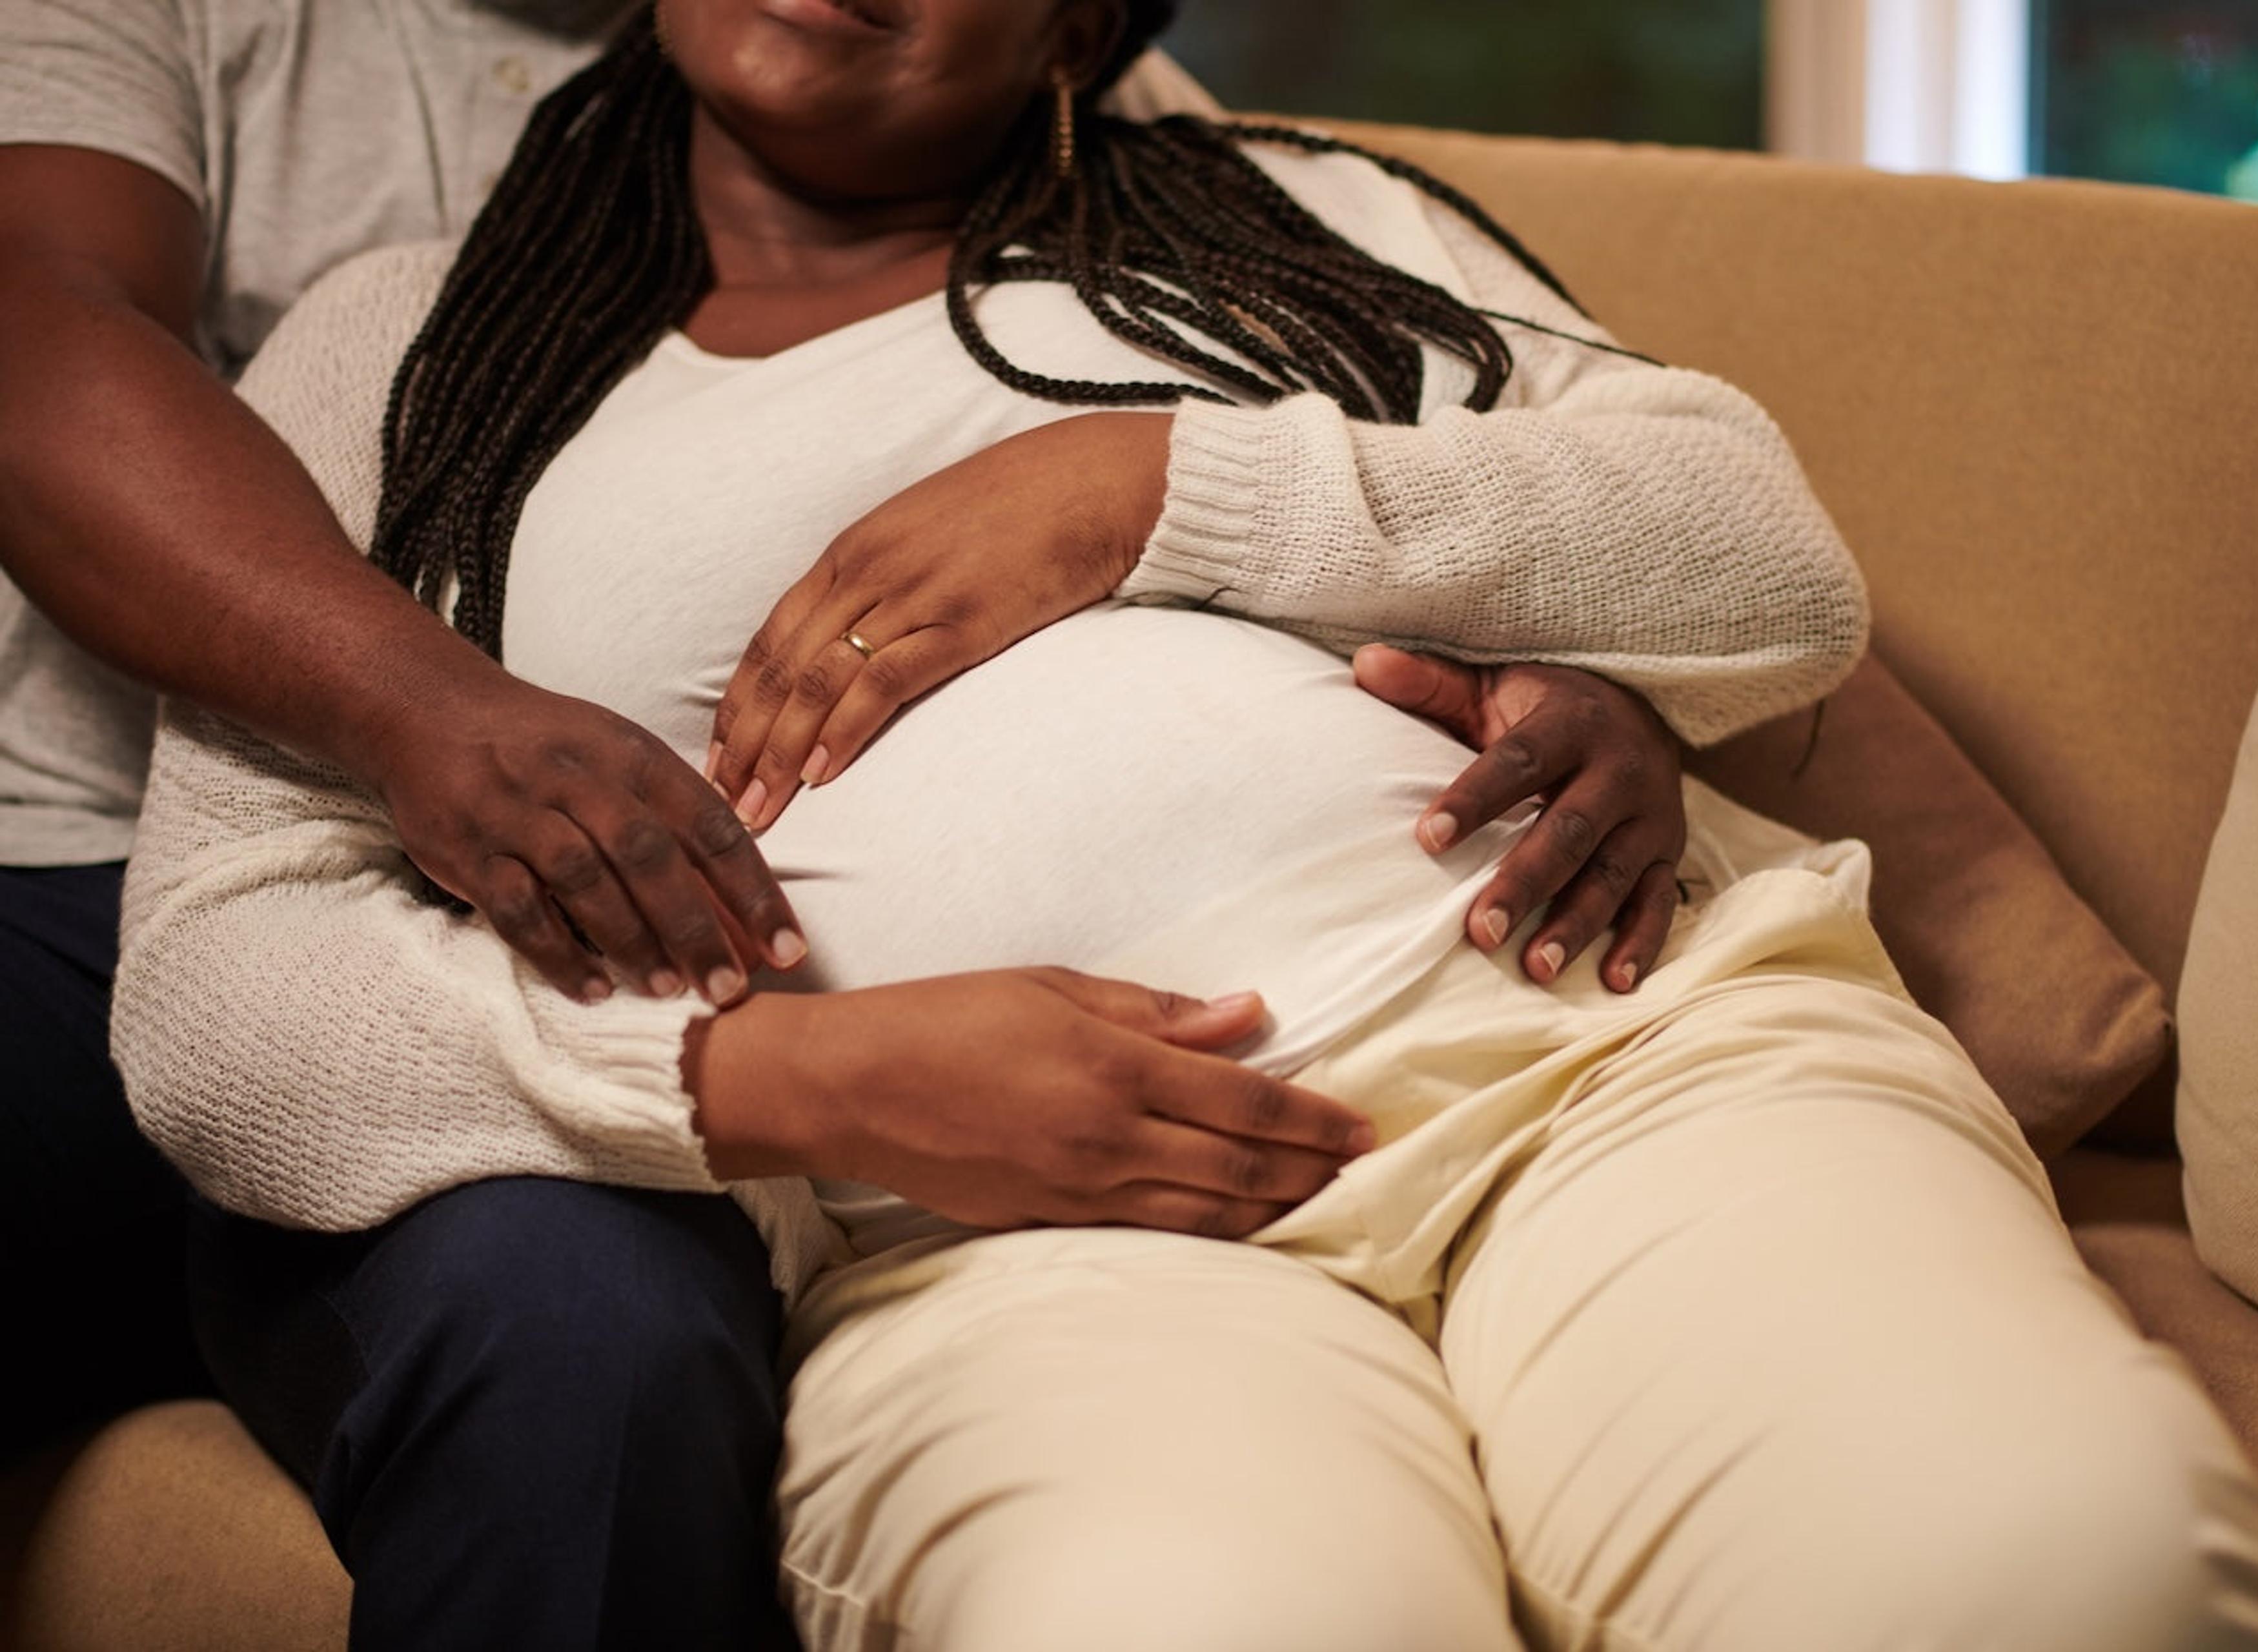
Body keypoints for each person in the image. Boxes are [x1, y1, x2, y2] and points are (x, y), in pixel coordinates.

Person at [113, 1, 2258, 1649]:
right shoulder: (406, 352)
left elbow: (1763, 556)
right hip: (1013, 1237)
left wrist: (1155, 487)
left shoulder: (1295, 223)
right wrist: (773, 1077)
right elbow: (219, 989)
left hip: (1613, 1063)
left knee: (2056, 1572)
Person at [0, 0, 1689, 1641]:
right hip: (156, 881)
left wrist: (1597, 661)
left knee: (589, 1338)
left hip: (1410, 1049)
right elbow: (35, 335)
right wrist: (428, 708)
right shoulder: (348, 260)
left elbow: (1376, 365)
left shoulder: (1002, 81)